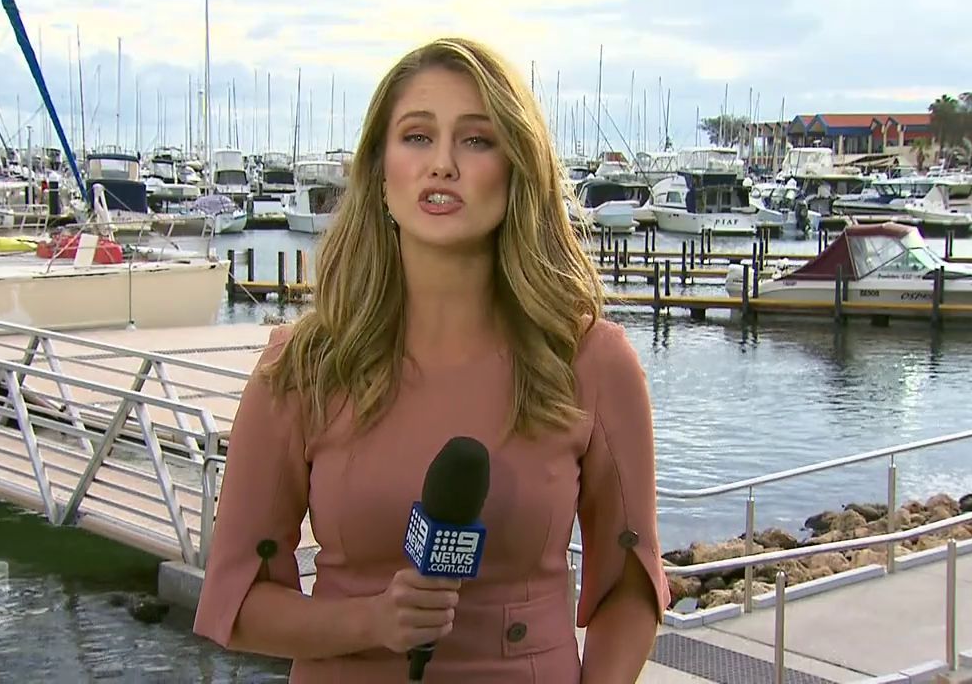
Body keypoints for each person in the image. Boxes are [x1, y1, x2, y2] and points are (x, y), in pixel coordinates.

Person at [193, 36, 670, 682]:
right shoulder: (303, 367)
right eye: (417, 136)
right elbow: (235, 601)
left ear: (518, 169)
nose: (442, 163)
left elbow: (632, 587)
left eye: (476, 140)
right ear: (379, 170)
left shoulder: (593, 363)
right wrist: (371, 622)